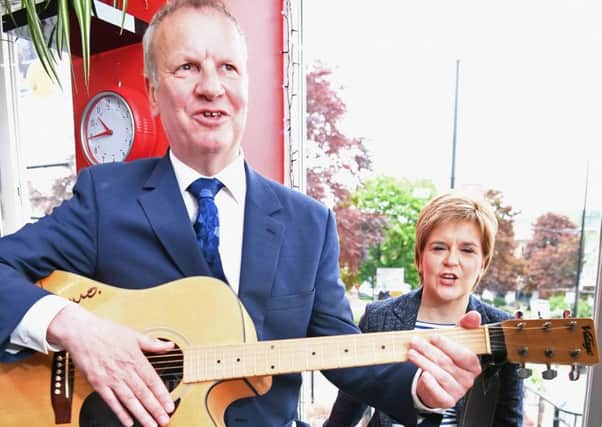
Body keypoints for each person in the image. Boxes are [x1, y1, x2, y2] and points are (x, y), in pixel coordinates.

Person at [0, 2, 483, 426]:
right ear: (151, 92)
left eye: (228, 67)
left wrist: (422, 391)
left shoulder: (309, 223)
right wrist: (77, 328)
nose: (212, 87)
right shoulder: (106, 198)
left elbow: (342, 351)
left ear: (246, 85)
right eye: (187, 67)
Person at [323, 192, 524, 427]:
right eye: (439, 248)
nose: (451, 260)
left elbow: (509, 420)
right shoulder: (379, 317)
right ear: (420, 258)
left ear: (483, 264)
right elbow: (347, 408)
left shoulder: (502, 328)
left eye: (467, 250)